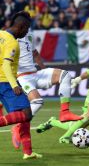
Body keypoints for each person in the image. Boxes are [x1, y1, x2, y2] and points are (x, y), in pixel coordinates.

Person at [10, 31, 83, 150]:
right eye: (25, 25)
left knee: (65, 75)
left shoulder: (29, 34)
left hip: (35, 74)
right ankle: (18, 126)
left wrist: (45, 71)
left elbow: (34, 53)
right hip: (22, 77)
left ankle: (64, 112)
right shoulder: (10, 37)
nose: (27, 27)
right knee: (38, 102)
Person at [0, 11, 42, 159]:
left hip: (3, 81)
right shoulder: (12, 43)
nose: (27, 32)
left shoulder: (1, 34)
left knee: (24, 116)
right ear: (21, 27)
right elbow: (6, 66)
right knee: (26, 114)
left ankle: (28, 152)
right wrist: (14, 85)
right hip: (5, 82)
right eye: (27, 28)